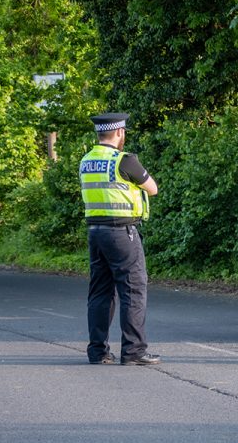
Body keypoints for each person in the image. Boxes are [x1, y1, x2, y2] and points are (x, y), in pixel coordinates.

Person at [79, 112, 160, 366]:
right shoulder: (125, 160)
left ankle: (97, 351)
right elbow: (153, 188)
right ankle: (134, 352)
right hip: (122, 232)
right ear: (119, 133)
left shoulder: (86, 160)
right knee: (133, 290)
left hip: (95, 233)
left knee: (100, 292)